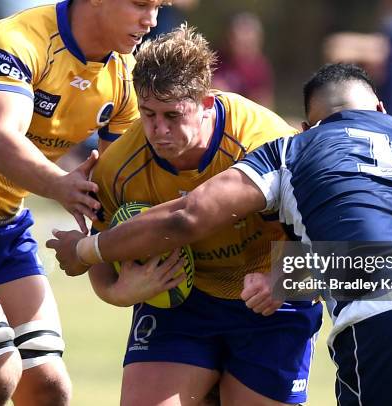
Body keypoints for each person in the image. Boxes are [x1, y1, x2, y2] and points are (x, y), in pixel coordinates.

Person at [48, 63, 392, 406]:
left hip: (390, 307)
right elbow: (386, 239)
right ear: (381, 110)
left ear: (309, 126)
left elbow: (187, 217)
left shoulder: (292, 149)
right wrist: (284, 278)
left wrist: (86, 250)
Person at [0, 1, 166, 405]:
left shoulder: (124, 77)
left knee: (48, 389)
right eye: (140, 3)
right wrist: (61, 185)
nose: (150, 20)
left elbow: (114, 193)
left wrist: (114, 278)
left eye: (157, 7)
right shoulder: (17, 39)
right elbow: (0, 140)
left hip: (7, 226)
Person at [59, 25, 320, 406]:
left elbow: (329, 246)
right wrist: (117, 292)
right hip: (183, 303)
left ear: (206, 104)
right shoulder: (119, 167)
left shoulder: (264, 142)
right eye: (148, 114)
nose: (158, 130)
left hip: (271, 301)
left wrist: (283, 279)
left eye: (173, 115)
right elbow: (105, 253)